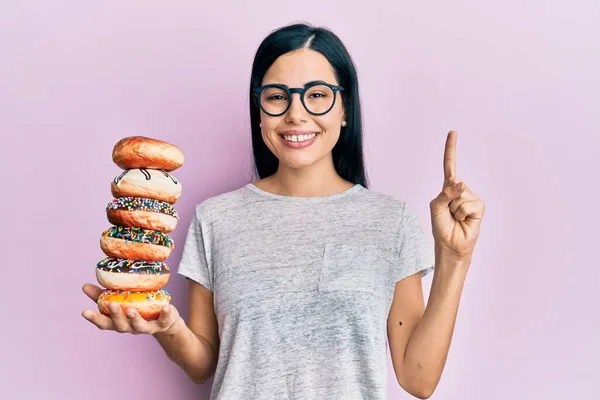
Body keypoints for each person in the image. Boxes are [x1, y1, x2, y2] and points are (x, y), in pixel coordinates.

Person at [82, 22, 485, 400]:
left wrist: (455, 258)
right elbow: (205, 364)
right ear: (259, 111)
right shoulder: (215, 219)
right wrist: (167, 327)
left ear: (345, 109)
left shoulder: (390, 222)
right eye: (277, 96)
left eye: (317, 94)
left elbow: (418, 378)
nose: (296, 113)